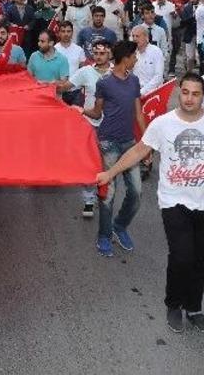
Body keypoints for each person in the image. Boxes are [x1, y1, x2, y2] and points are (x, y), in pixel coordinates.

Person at [96, 73, 204, 334]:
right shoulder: (162, 124)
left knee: (201, 259)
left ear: (203, 96)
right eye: (186, 92)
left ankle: (194, 307)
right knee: (182, 256)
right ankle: (173, 303)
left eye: (196, 94)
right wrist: (110, 173)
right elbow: (138, 151)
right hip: (174, 201)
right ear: (179, 93)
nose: (190, 98)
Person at [84, 40, 144, 257]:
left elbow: (139, 114)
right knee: (108, 194)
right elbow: (97, 113)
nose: (136, 60)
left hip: (130, 144)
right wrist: (78, 110)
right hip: (108, 143)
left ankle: (120, 226)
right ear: (125, 58)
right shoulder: (105, 83)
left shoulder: (135, 81)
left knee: (136, 192)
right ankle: (104, 235)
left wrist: (146, 144)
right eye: (134, 56)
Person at [69, 40, 113, 218]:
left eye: (102, 53)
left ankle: (105, 195)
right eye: (95, 53)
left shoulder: (117, 72)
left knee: (108, 162)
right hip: (89, 124)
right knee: (89, 162)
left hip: (111, 125)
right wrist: (43, 86)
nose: (99, 56)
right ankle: (88, 200)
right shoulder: (85, 71)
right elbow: (65, 86)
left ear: (109, 53)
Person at [131, 25, 166, 96]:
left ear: (146, 37)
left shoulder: (156, 51)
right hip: (135, 93)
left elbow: (158, 77)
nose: (134, 39)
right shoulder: (132, 53)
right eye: (133, 36)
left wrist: (142, 92)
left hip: (153, 93)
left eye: (137, 36)